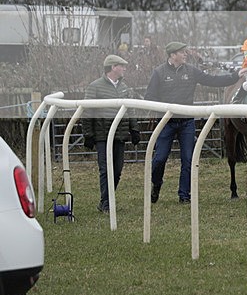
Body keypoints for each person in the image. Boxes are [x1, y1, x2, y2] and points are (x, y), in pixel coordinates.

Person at [145, 41, 239, 204]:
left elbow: (212, 80)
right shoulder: (159, 73)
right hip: (166, 123)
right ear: (172, 55)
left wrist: (236, 76)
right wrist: (163, 110)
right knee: (159, 158)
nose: (185, 54)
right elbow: (150, 97)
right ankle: (156, 184)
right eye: (182, 52)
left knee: (188, 159)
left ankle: (184, 195)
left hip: (187, 123)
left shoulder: (191, 71)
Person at [81, 54, 140, 213]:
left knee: (117, 170)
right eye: (122, 66)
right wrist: (88, 134)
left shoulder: (124, 87)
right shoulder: (95, 86)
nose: (124, 69)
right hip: (102, 135)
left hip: (120, 135)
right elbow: (87, 111)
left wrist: (134, 129)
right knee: (105, 169)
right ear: (113, 67)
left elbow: (130, 110)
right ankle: (106, 203)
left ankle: (107, 199)